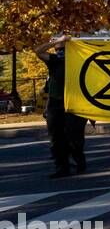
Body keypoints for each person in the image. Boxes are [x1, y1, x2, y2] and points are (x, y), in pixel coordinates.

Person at [34, 34, 87, 178]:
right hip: (55, 103)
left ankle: (79, 161)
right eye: (57, 50)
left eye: (63, 49)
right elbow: (38, 51)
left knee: (74, 137)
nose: (60, 52)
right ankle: (62, 167)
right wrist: (58, 41)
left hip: (76, 103)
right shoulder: (54, 61)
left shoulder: (80, 62)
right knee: (56, 138)